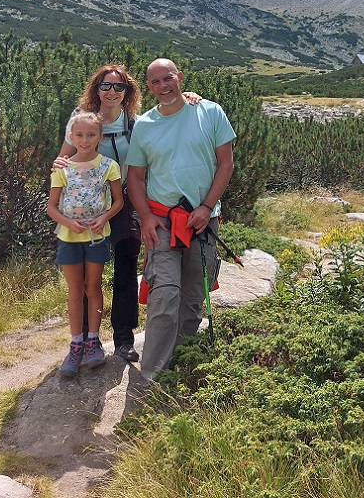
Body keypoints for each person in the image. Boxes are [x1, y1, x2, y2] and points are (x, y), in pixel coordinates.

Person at [52, 64, 201, 363]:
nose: (111, 92)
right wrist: (57, 170)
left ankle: (123, 338)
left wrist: (187, 97)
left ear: (128, 92)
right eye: (105, 86)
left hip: (125, 202)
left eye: (119, 87)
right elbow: (63, 158)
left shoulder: (136, 123)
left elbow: (169, 112)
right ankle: (83, 339)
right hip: (87, 207)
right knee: (83, 275)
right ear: (96, 89)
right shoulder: (81, 119)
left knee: (125, 267)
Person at [126, 58, 236, 380]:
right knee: (164, 293)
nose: (164, 86)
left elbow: (225, 164)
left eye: (168, 78)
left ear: (180, 78)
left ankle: (182, 362)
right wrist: (145, 217)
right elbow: (134, 177)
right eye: (156, 81)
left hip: (203, 221)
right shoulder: (145, 126)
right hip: (161, 221)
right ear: (149, 87)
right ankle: (152, 377)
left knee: (191, 296)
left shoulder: (210, 112)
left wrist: (206, 207)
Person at [47, 111, 123, 377]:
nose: (85, 139)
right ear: (71, 136)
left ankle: (93, 341)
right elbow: (51, 207)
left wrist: (104, 217)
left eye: (91, 134)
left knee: (93, 287)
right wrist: (67, 223)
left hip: (97, 237)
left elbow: (118, 202)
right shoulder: (62, 168)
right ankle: (75, 344)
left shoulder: (108, 166)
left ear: (100, 137)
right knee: (75, 291)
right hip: (69, 239)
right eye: (79, 135)